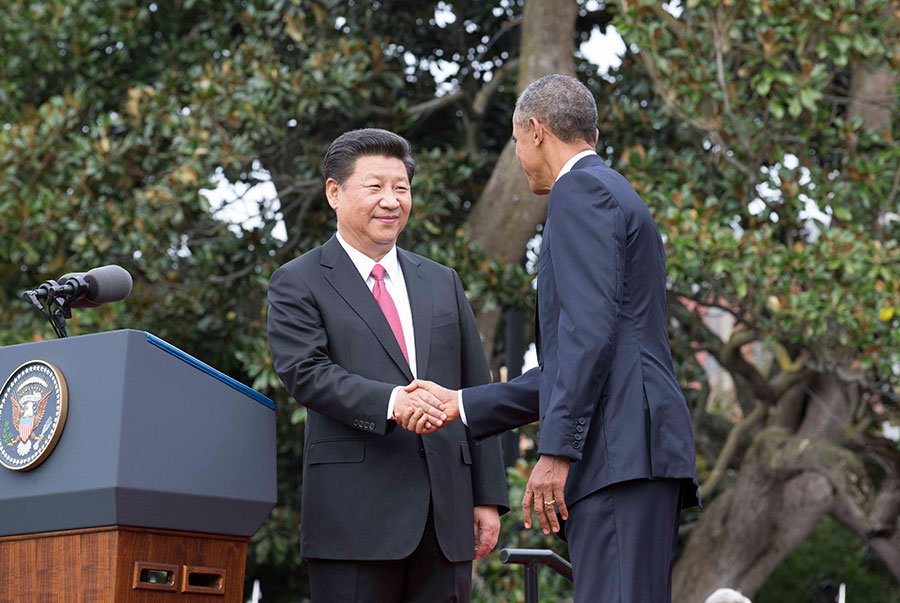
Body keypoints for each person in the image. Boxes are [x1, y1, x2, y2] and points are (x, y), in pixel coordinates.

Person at [403, 75, 700, 602]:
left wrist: (557, 451)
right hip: (634, 448)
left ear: (535, 131)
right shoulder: (612, 191)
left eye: (516, 141)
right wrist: (464, 403)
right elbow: (581, 357)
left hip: (617, 451)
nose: (518, 157)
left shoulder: (580, 192)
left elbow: (588, 337)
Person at [267, 128, 509, 603]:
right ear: (335, 193)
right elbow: (306, 373)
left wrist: (487, 497)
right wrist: (393, 402)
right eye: (374, 186)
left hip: (447, 515)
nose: (391, 201)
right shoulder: (299, 281)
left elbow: (474, 386)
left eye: (401, 187)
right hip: (354, 517)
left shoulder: (442, 281)